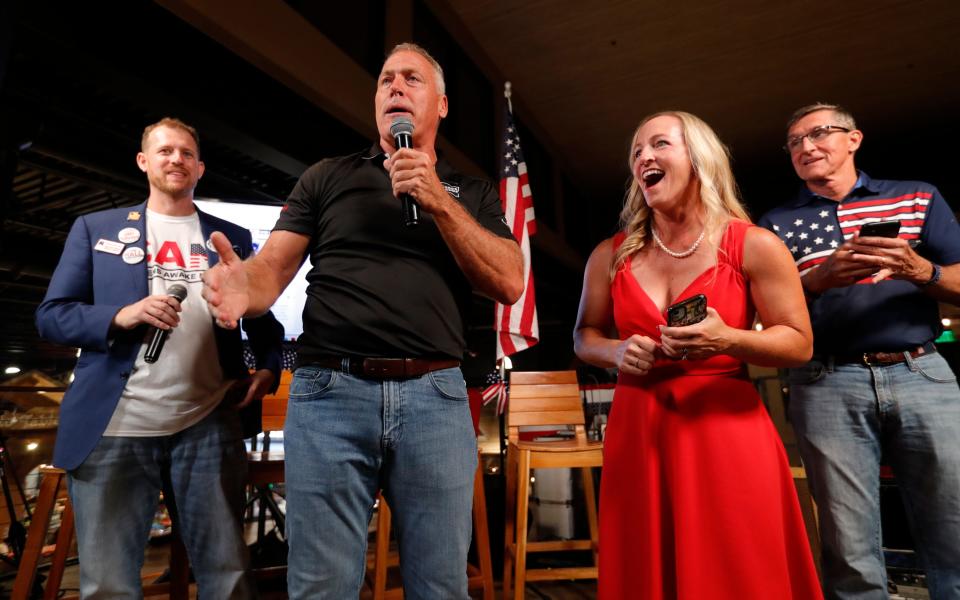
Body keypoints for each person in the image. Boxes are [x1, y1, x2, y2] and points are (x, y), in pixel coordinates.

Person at [202, 43, 523, 598]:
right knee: (321, 588)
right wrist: (242, 288)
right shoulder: (326, 177)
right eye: (385, 80)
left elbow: (510, 280)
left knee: (441, 587)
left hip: (436, 399)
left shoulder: (469, 192)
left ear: (441, 105)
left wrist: (438, 202)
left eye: (411, 80)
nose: (395, 88)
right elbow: (270, 270)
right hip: (330, 396)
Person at [574, 111, 822, 599]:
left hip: (723, 429)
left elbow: (798, 341)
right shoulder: (612, 254)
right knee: (645, 572)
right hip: (639, 430)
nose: (644, 156)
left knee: (737, 567)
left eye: (660, 145)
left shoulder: (753, 244)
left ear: (697, 158)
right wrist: (617, 350)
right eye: (637, 151)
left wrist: (728, 339)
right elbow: (584, 336)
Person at [36, 117, 284, 599]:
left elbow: (263, 317)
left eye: (187, 153)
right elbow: (52, 316)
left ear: (200, 168)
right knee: (108, 583)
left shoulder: (228, 235)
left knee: (229, 574)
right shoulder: (95, 228)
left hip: (208, 421)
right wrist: (121, 315)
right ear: (143, 161)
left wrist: (269, 368)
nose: (177, 159)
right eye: (166, 151)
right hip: (115, 426)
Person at [758, 103, 960, 599]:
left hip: (922, 370)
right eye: (794, 142)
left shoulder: (917, 196)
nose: (806, 147)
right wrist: (819, 279)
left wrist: (921, 270)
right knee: (848, 541)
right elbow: (764, 312)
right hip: (826, 380)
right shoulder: (776, 223)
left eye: (820, 133)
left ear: (854, 139)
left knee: (952, 520)